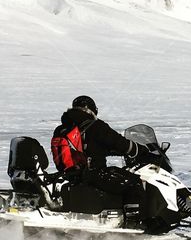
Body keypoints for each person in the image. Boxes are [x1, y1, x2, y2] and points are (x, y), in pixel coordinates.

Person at [51, 96, 148, 224]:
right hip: (93, 173)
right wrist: (138, 150)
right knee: (133, 184)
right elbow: (119, 143)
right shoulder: (95, 125)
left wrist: (108, 151)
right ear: (92, 110)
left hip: (69, 174)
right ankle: (134, 222)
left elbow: (87, 147)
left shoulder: (61, 129)